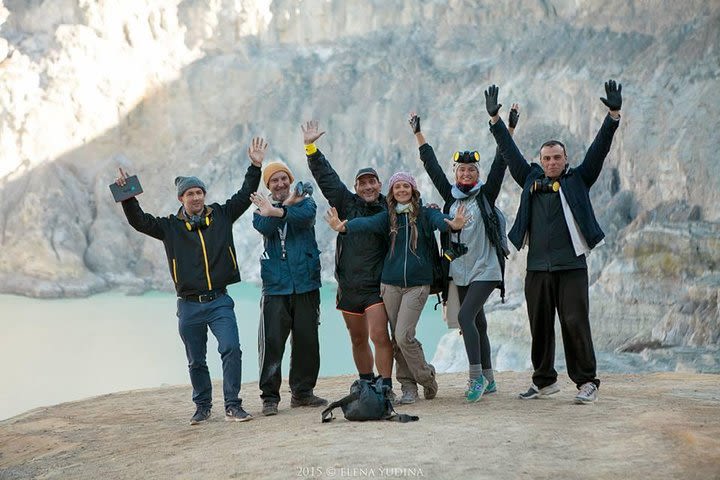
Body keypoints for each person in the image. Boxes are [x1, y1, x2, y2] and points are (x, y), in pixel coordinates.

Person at [486, 80, 623, 404]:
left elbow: (599, 148)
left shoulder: (579, 178)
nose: (551, 162)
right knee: (540, 325)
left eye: (556, 157)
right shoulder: (530, 178)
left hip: (571, 266)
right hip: (537, 267)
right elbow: (510, 153)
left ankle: (587, 382)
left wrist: (613, 115)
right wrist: (495, 121)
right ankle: (544, 381)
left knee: (575, 322)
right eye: (546, 158)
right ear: (541, 160)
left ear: (565, 159)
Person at [115, 137, 268, 425]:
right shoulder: (169, 227)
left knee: (231, 348)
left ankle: (233, 405)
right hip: (188, 305)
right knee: (196, 360)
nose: (196, 197)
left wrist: (255, 165)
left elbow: (245, 192)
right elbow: (139, 220)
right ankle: (202, 406)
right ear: (181, 199)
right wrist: (128, 195)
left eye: (199, 192)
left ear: (204, 195)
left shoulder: (222, 215)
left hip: (219, 300)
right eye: (190, 194)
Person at [409, 102, 520, 402]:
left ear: (477, 173)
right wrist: (419, 134)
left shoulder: (486, 194)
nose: (467, 173)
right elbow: (430, 166)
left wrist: (508, 128)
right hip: (459, 270)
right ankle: (489, 377)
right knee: (479, 322)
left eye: (472, 169)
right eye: (462, 169)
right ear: (456, 172)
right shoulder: (450, 197)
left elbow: (501, 162)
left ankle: (474, 380)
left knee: (467, 317)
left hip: (486, 268)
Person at [325, 172, 467, 404]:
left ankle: (426, 377)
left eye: (406, 186)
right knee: (396, 337)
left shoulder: (424, 212)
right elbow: (366, 224)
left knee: (403, 335)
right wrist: (344, 227)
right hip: (389, 285)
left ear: (413, 189)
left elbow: (439, 221)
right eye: (397, 187)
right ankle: (408, 387)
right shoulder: (387, 217)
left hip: (417, 285)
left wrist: (452, 225)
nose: (402, 190)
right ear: (391, 192)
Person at [301, 120, 396, 401]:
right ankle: (367, 382)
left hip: (375, 286)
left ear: (380, 184)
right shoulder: (346, 202)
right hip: (348, 286)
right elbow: (325, 176)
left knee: (379, 336)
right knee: (357, 339)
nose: (368, 186)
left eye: (372, 181)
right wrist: (310, 147)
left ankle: (387, 385)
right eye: (362, 183)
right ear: (355, 187)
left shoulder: (388, 210)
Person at [250, 160, 327, 416]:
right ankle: (270, 397)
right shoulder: (260, 209)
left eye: (284, 178)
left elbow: (306, 218)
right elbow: (264, 225)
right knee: (272, 342)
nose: (281, 183)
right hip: (275, 285)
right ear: (268, 185)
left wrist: (280, 209)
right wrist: (280, 208)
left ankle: (302, 393)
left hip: (306, 281)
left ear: (290, 180)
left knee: (307, 340)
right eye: (275, 180)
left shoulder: (305, 201)